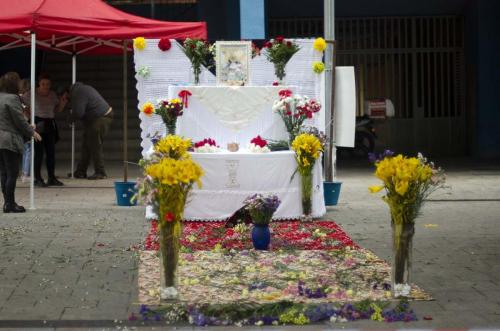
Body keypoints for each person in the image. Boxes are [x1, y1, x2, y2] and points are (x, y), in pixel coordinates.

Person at [0, 72, 42, 213]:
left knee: (4, 172)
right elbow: (18, 120)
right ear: (14, 84)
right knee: (12, 173)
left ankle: (7, 202)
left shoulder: (2, 97)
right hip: (9, 139)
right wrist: (32, 131)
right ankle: (10, 204)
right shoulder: (12, 99)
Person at [58, 82, 112, 179]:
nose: (65, 100)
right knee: (86, 145)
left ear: (67, 93)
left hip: (101, 117)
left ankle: (100, 172)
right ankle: (81, 171)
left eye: (64, 98)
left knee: (94, 144)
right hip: (96, 118)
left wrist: (70, 119)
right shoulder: (79, 90)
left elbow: (79, 112)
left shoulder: (77, 93)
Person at [22, 73, 64, 187]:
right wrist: (29, 116)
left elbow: (57, 109)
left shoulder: (52, 94)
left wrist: (63, 103)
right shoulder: (31, 93)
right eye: (43, 84)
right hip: (38, 122)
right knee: (39, 152)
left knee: (51, 152)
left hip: (50, 122)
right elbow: (21, 102)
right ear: (39, 83)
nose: (46, 86)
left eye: (48, 84)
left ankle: (51, 177)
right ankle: (37, 178)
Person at [19, 79, 31, 183]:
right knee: (28, 150)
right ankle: (25, 173)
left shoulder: (16, 97)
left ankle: (24, 173)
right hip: (24, 125)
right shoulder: (23, 99)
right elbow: (27, 113)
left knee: (25, 150)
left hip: (19, 126)